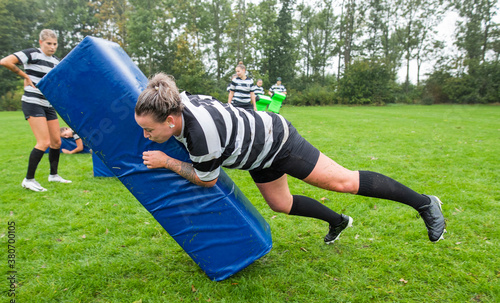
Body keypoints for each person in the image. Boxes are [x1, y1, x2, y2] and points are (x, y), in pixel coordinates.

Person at [134, 73, 446, 245]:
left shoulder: (202, 137)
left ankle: (424, 203)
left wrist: (167, 162)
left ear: (171, 121)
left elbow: (207, 179)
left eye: (149, 130)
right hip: (256, 156)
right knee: (280, 204)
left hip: (278, 142)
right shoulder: (177, 100)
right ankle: (339, 222)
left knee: (344, 181)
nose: (146, 136)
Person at [0, 29, 71, 192]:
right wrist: (24, 76)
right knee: (44, 142)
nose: (52, 47)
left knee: (56, 142)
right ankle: (28, 180)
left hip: (48, 104)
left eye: (55, 44)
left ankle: (53, 175)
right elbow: (5, 61)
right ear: (41, 43)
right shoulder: (32, 54)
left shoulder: (55, 61)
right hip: (33, 102)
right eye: (49, 44)